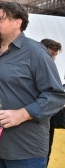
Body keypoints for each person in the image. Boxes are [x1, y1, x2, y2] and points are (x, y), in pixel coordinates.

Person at [0, 2, 65, 168]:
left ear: (17, 22)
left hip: (25, 152)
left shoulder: (36, 53)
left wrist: (21, 114)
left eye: (1, 19)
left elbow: (56, 95)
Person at [40, 38, 62, 166]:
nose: (53, 58)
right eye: (51, 54)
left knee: (45, 153)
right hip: (32, 123)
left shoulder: (51, 69)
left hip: (48, 123)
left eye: (54, 55)